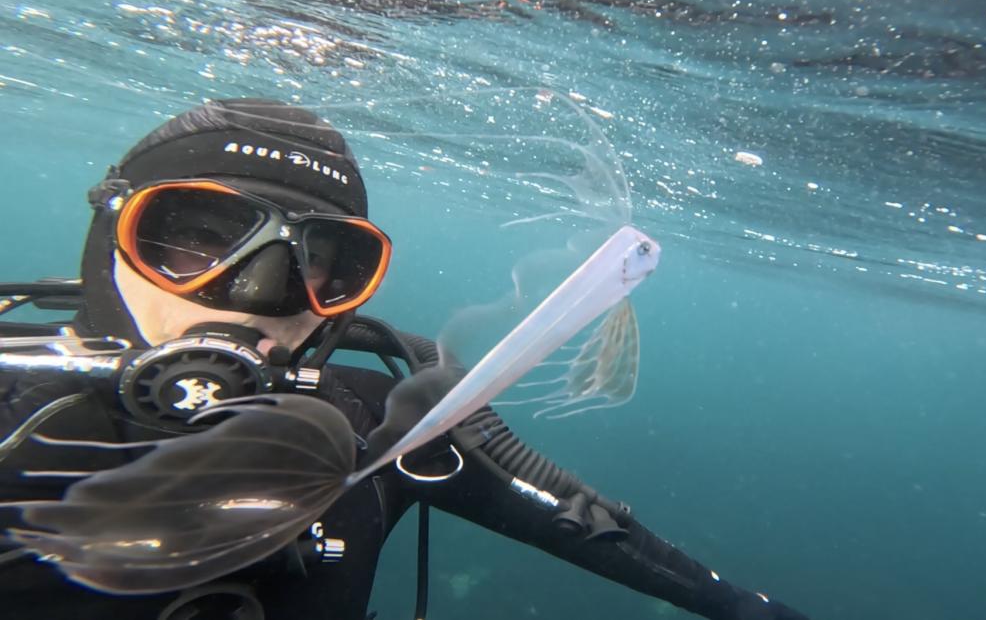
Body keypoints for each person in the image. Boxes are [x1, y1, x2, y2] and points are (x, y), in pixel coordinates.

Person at [0, 99, 809, 620]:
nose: (258, 295)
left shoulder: (382, 432)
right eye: (198, 238)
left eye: (321, 262)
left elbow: (616, 542)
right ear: (109, 237)